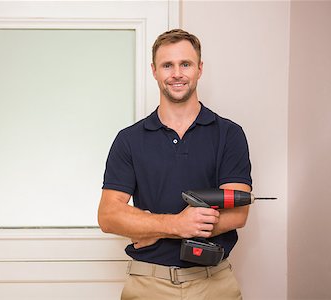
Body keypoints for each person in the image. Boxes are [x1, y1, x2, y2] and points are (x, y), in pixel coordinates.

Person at [98, 29, 252, 300]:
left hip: (213, 284)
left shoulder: (229, 134)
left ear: (199, 69)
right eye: (167, 65)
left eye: (186, 64)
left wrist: (149, 225)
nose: (177, 73)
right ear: (154, 71)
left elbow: (238, 214)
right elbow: (109, 216)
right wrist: (175, 225)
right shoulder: (129, 140)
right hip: (147, 283)